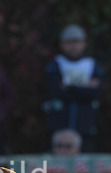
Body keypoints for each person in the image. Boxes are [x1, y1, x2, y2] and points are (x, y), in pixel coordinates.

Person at [42, 24, 103, 152]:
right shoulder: (54, 64)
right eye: (69, 42)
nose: (73, 46)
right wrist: (84, 87)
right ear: (61, 44)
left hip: (85, 127)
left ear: (84, 43)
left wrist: (68, 87)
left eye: (77, 42)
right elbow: (55, 91)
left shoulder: (93, 65)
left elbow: (95, 93)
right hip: (59, 127)